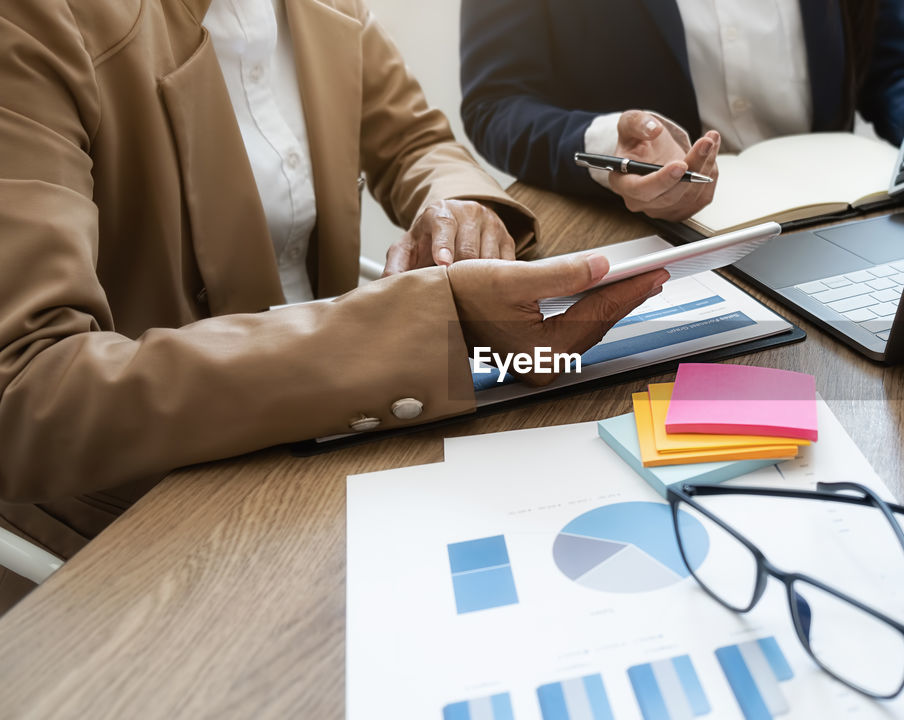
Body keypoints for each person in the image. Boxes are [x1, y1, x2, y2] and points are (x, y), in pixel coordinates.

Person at [0, 0, 664, 610]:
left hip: (327, 434)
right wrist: (416, 324)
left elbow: (413, 142)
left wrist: (465, 213)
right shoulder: (36, 21)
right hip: (153, 514)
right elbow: (28, 390)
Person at [461, 0, 904, 221]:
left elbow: (893, 65)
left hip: (840, 222)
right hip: (641, 239)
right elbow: (497, 102)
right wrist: (610, 148)